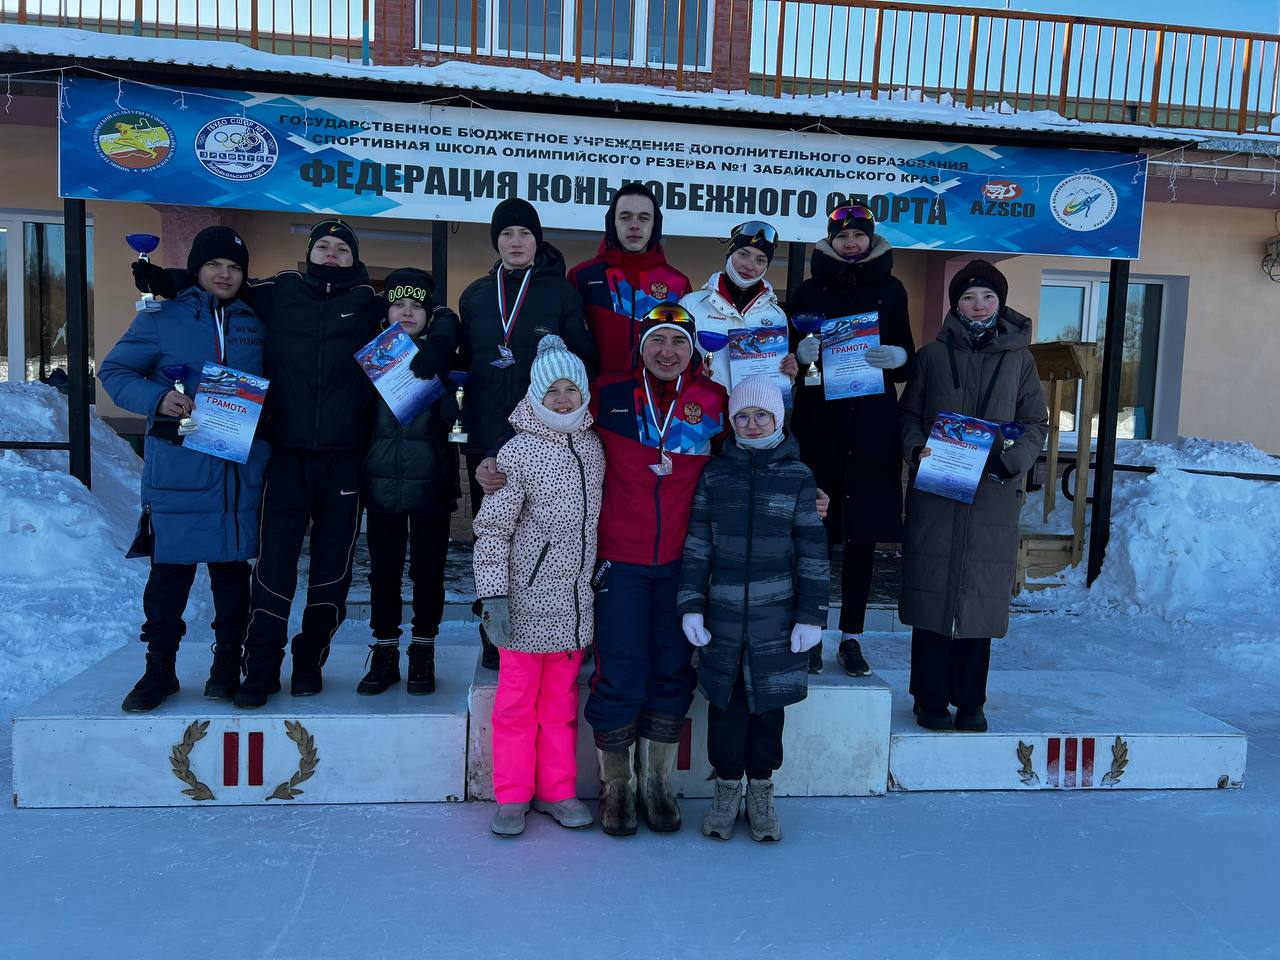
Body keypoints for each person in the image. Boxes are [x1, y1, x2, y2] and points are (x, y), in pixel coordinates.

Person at [131, 219, 385, 707]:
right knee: (274, 566)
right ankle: (261, 668)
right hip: (285, 455)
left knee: (333, 568)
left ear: (356, 260)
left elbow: (424, 314)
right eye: (324, 247)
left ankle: (310, 661)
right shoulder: (278, 293)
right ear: (310, 253)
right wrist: (172, 280)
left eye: (342, 250)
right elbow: (224, 283)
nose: (332, 255)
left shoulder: (371, 306)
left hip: (344, 460)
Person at [99, 226, 269, 711]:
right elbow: (114, 372)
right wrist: (159, 397)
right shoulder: (162, 317)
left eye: (235, 267)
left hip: (236, 471)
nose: (225, 274)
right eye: (215, 265)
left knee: (232, 577)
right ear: (197, 269)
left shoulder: (255, 320)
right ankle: (159, 670)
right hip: (179, 468)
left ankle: (225, 666)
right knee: (169, 575)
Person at [585, 304, 729, 836]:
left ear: (692, 353)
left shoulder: (712, 401)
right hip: (618, 560)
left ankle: (657, 785)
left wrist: (811, 489)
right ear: (640, 346)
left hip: (682, 562)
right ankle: (617, 788)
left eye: (678, 343)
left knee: (672, 668)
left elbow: (752, 456)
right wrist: (496, 462)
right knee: (620, 669)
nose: (667, 352)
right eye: (657, 341)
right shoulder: (608, 394)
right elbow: (550, 425)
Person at [898, 260, 1047, 733]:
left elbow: (1035, 424)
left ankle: (971, 701)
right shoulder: (931, 356)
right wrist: (916, 448)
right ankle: (930, 698)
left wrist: (1012, 459)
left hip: (991, 493)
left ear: (1000, 303)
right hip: (938, 490)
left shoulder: (1020, 360)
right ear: (954, 304)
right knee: (932, 592)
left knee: (979, 597)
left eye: (986, 297)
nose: (977, 305)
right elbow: (909, 416)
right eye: (967, 297)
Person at [678, 376, 829, 841]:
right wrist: (692, 606)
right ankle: (726, 792)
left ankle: (761, 793)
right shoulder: (715, 474)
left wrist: (812, 615)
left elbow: (812, 549)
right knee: (725, 711)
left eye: (761, 415)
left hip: (777, 620)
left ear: (777, 418)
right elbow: (698, 545)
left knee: (768, 713)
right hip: (723, 619)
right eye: (742, 416)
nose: (752, 423)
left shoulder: (798, 476)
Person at [472, 336, 605, 837]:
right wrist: (495, 597)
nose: (565, 398)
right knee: (514, 707)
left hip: (573, 610)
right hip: (524, 607)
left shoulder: (594, 447)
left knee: (560, 709)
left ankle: (558, 791)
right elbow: (491, 530)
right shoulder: (518, 453)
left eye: (573, 388)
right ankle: (511, 795)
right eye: (554, 390)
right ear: (535, 396)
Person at [461, 198, 598, 670]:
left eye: (524, 234)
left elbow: (584, 365)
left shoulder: (561, 293)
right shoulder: (476, 294)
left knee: (547, 539)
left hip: (545, 441)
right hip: (487, 433)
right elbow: (465, 362)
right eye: (506, 234)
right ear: (495, 242)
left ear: (537, 241)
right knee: (494, 535)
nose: (516, 242)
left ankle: (560, 629)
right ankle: (493, 634)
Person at [788, 203, 916, 678]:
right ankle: (810, 633)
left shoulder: (891, 289)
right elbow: (784, 359)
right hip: (819, 423)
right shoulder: (806, 290)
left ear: (870, 241)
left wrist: (898, 355)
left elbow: (909, 360)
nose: (850, 244)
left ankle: (853, 637)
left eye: (858, 237)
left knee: (860, 536)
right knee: (814, 535)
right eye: (842, 237)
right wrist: (798, 354)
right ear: (830, 241)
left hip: (870, 425)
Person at [358, 267, 461, 697]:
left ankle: (423, 649)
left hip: (430, 484)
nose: (406, 312)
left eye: (416, 306)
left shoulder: (446, 356)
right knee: (382, 573)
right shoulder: (371, 356)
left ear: (429, 315)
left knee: (428, 572)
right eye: (398, 304)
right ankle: (384, 652)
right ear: (386, 312)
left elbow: (460, 414)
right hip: (380, 482)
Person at [567, 182, 693, 375]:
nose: (634, 225)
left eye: (644, 218)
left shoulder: (677, 283)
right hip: (596, 395)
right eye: (625, 217)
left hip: (655, 399)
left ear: (655, 225)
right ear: (612, 222)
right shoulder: (582, 276)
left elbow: (683, 346)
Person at [679, 220, 798, 393]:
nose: (750, 265)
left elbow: (776, 380)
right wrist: (689, 371)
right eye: (743, 254)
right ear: (729, 253)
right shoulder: (691, 304)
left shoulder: (776, 315)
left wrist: (787, 374)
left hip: (752, 416)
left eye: (760, 260)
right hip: (701, 410)